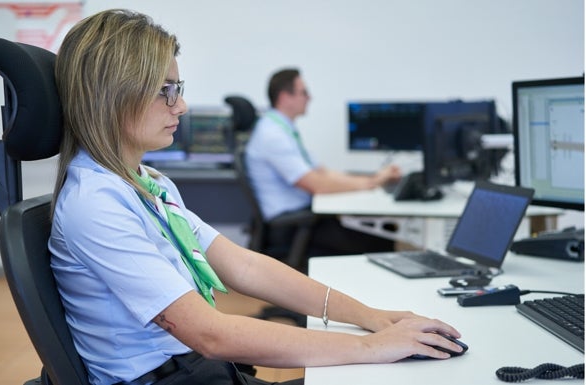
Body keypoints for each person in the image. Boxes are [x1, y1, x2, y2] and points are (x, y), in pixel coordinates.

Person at [49, 9, 463, 385]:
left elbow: (245, 267)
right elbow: (209, 333)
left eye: (179, 88)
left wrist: (369, 317)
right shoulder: (96, 203)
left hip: (195, 369)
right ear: (114, 94)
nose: (182, 105)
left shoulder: (145, 182)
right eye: (166, 90)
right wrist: (371, 348)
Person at [245, 68, 402, 257]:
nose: (309, 98)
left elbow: (322, 172)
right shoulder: (273, 136)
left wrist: (372, 179)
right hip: (293, 228)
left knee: (375, 230)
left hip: (301, 220)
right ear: (285, 97)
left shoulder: (283, 130)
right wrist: (372, 183)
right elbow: (318, 184)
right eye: (304, 92)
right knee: (379, 239)